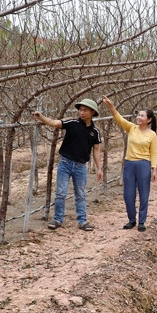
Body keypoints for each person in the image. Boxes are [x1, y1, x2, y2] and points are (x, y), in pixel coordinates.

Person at [33, 99, 104, 231]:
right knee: (61, 192)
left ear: (92, 112)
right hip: (65, 163)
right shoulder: (72, 123)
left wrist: (99, 168)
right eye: (80, 109)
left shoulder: (95, 131)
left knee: (81, 194)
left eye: (85, 110)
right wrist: (41, 117)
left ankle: (82, 221)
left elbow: (96, 150)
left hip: (81, 166)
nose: (81, 112)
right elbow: (54, 123)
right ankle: (58, 219)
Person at [100, 96, 157, 232]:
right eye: (138, 115)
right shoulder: (131, 128)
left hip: (144, 165)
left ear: (149, 120)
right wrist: (111, 106)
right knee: (128, 194)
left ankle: (142, 221)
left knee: (144, 194)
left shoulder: (152, 135)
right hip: (130, 164)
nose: (138, 117)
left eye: (142, 116)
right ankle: (132, 219)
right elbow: (118, 118)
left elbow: (154, 153)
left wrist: (154, 169)